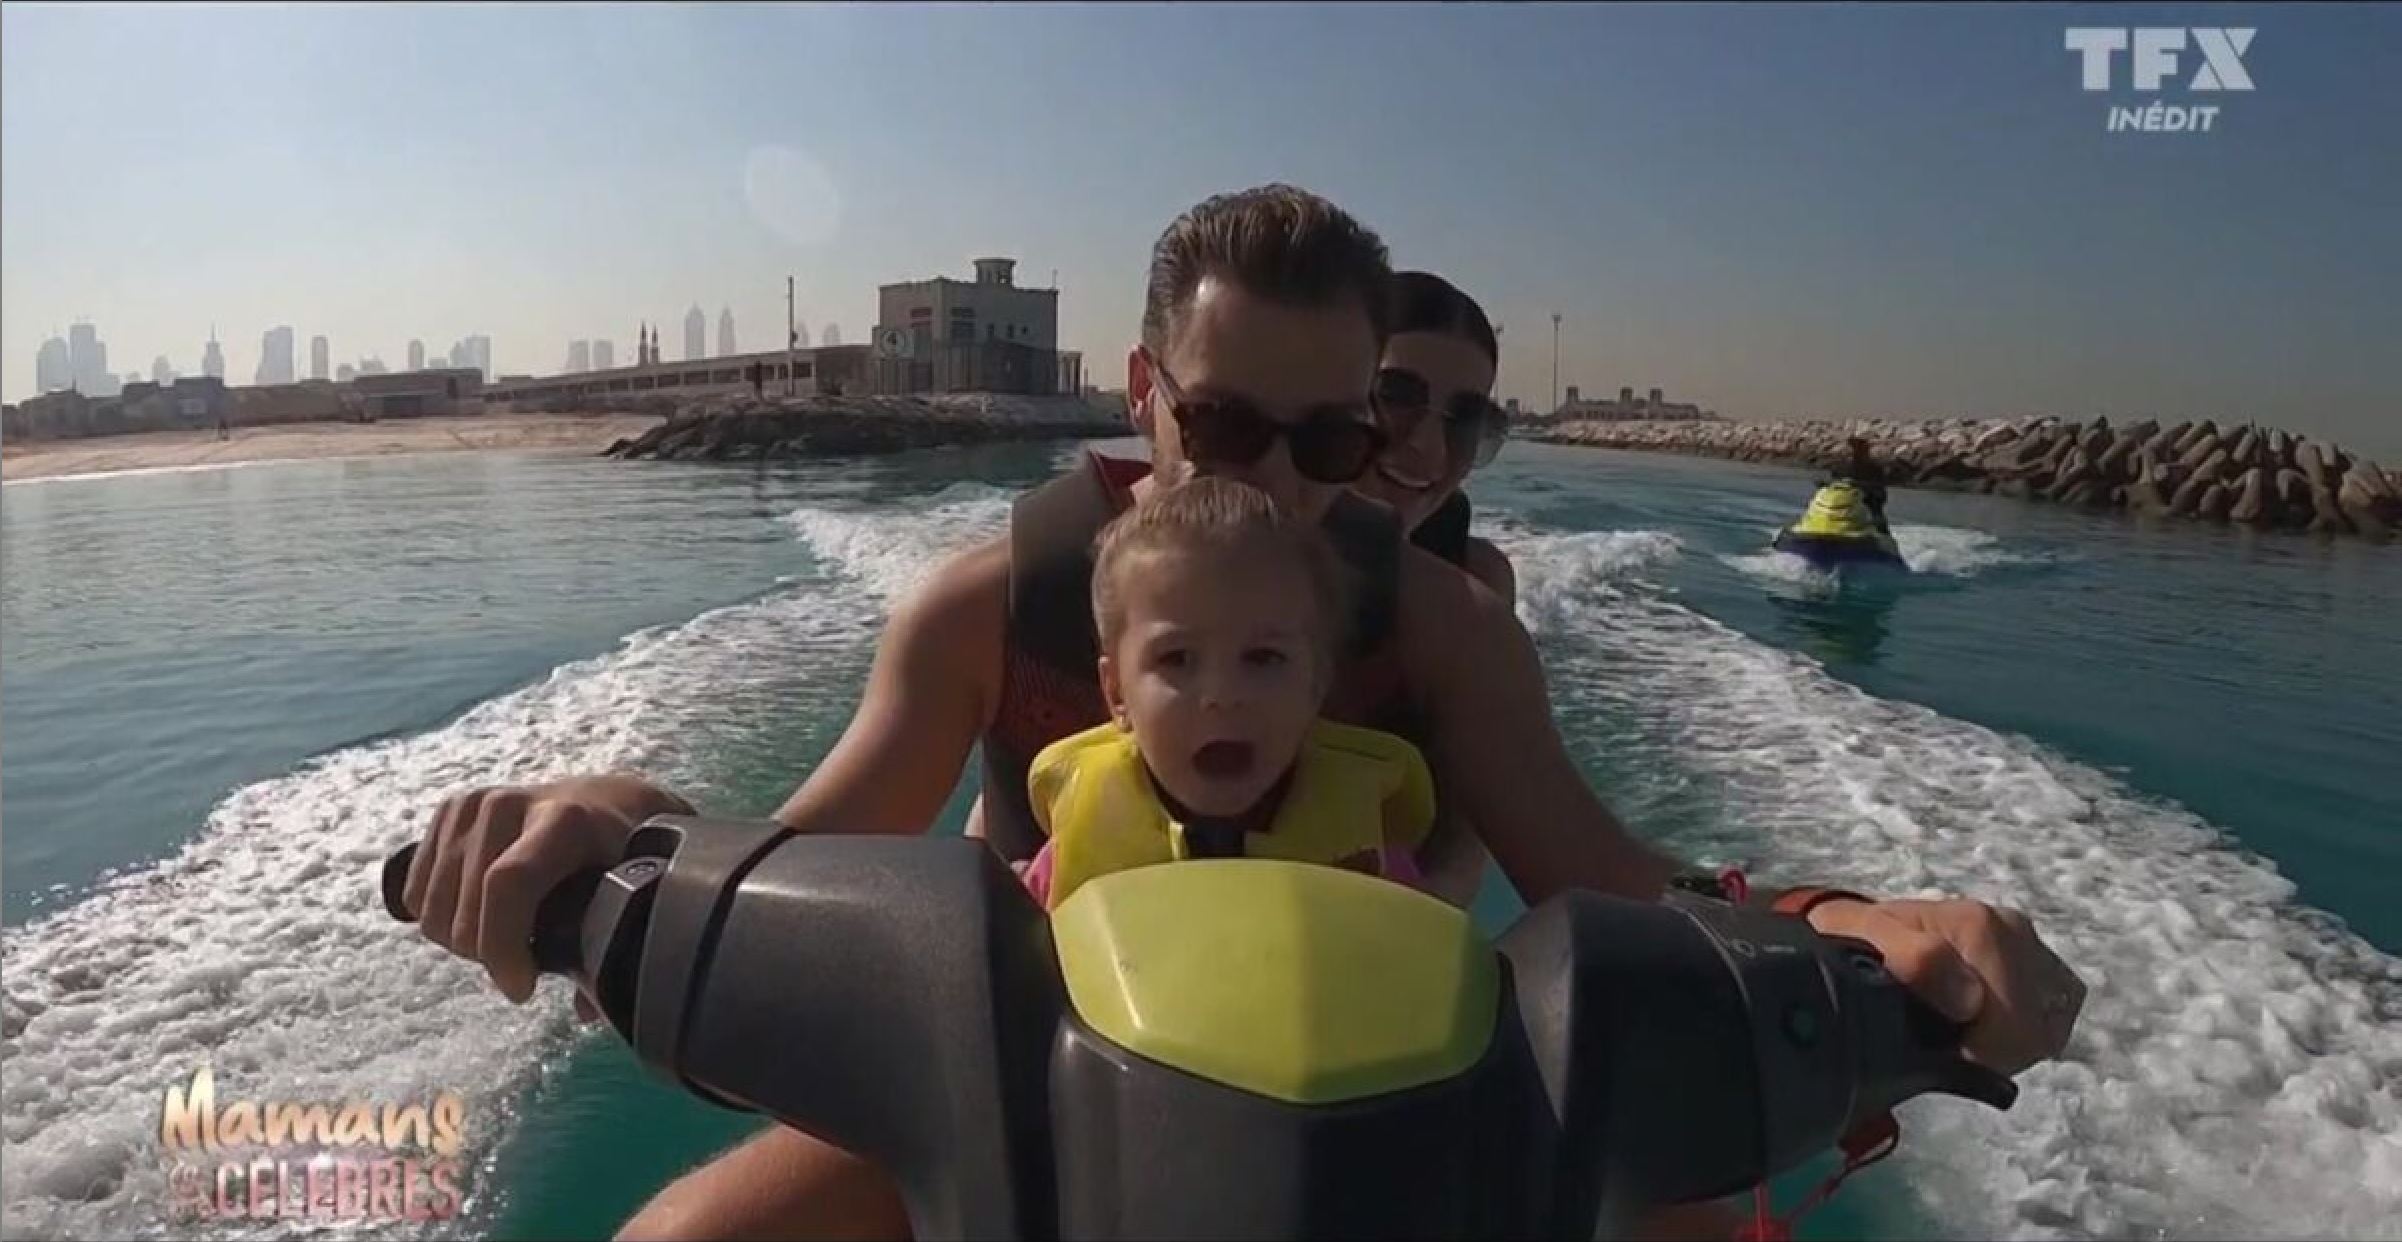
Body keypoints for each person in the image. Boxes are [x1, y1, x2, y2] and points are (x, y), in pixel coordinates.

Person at [397, 184, 2085, 1241]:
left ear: (1376, 428)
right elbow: (808, 848)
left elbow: (1605, 872)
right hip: (1012, 1082)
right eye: (1221, 425)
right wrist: (619, 800)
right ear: (1143, 398)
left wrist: (1851, 920)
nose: (1277, 487)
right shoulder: (991, 609)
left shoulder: (1440, 631)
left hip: (1424, 1086)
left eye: (1329, 439)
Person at [1020, 474, 1434, 911]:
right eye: (1177, 659)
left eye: (1262, 658)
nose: (1222, 695)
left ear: (1316, 685)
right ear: (1117, 694)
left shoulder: (1382, 866)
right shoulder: (1064, 864)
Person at [1836, 435, 1893, 535]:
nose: (1847, 451)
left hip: (1871, 499)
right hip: (1848, 500)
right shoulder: (1844, 466)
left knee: (1876, 515)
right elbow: (1837, 480)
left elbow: (1879, 485)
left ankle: (1883, 537)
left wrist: (1866, 487)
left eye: (1851, 449)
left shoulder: (1873, 468)